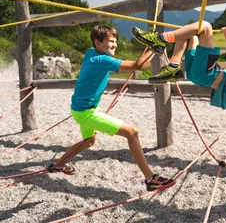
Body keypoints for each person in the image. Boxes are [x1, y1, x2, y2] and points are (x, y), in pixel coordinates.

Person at [47, 25, 176, 192]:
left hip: (81, 108)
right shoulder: (101, 60)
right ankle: (151, 178)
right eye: (110, 41)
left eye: (115, 41)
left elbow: (135, 64)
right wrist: (156, 46)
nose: (114, 45)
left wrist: (153, 46)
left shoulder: (91, 53)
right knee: (132, 132)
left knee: (89, 141)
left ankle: (58, 165)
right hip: (86, 112)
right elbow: (138, 65)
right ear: (97, 43)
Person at [131, 21, 226, 138]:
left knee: (205, 26)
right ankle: (173, 65)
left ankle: (160, 39)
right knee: (188, 32)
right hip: (198, 75)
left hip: (205, 72)